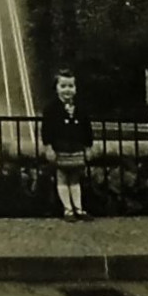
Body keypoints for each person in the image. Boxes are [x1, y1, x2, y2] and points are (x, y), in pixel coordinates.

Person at [41, 68, 95, 221]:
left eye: (71, 86)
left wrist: (88, 146)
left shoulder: (81, 108)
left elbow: (87, 128)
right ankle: (68, 209)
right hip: (60, 148)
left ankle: (79, 208)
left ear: (75, 88)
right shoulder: (51, 109)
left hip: (76, 148)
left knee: (75, 179)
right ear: (56, 88)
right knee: (62, 178)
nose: (67, 90)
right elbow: (46, 130)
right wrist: (48, 147)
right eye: (63, 86)